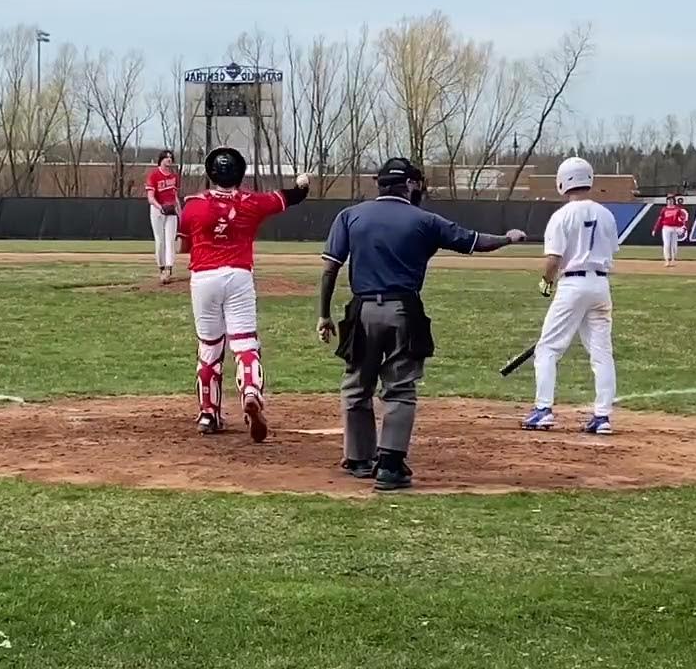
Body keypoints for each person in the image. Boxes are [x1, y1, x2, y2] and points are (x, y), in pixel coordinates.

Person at [316, 157, 527, 491]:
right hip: (404, 309)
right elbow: (474, 241)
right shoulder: (425, 220)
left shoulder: (350, 216)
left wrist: (324, 314)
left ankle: (358, 459)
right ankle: (389, 465)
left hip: (362, 310)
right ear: (411, 185)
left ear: (379, 183)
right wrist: (508, 237)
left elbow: (330, 269)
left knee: (357, 384)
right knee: (400, 386)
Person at [177, 147, 309, 442]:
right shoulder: (253, 202)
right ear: (240, 173)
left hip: (203, 278)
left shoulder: (193, 205)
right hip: (238, 275)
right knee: (245, 343)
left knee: (209, 347)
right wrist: (303, 184)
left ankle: (208, 414)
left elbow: (182, 249)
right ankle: (251, 392)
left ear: (211, 173)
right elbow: (292, 196)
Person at [522, 156, 620, 435]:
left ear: (563, 181)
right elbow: (610, 250)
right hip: (601, 285)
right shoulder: (606, 214)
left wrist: (545, 282)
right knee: (601, 352)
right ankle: (603, 416)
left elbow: (554, 259)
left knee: (548, 348)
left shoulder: (561, 216)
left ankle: (543, 410)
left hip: (572, 284)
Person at [147, 150, 182, 284]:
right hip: (157, 210)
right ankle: (161, 267)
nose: (169, 160)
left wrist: (180, 212)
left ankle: (168, 268)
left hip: (171, 210)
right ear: (160, 160)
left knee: (170, 240)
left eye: (170, 158)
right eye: (166, 158)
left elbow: (175, 196)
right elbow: (150, 197)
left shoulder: (174, 176)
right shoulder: (154, 175)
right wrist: (159, 207)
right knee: (160, 240)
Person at [651, 194, 689, 267]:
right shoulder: (664, 209)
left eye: (671, 200)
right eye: (668, 200)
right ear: (666, 201)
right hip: (666, 228)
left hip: (674, 228)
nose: (670, 201)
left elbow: (682, 219)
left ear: (673, 201)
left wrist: (683, 227)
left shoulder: (677, 209)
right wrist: (655, 229)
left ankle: (673, 260)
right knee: (666, 244)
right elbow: (660, 220)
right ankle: (667, 260)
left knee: (674, 245)